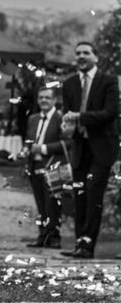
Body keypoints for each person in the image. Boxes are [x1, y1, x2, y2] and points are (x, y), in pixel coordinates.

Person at [60, 42, 119, 259]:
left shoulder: (108, 81)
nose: (81, 56)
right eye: (78, 53)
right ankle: (79, 243)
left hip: (102, 148)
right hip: (80, 147)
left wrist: (80, 117)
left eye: (86, 53)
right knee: (80, 194)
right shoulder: (69, 84)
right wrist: (67, 125)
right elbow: (68, 114)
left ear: (96, 56)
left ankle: (88, 244)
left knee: (93, 190)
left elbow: (111, 113)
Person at [19, 86, 69, 249]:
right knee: (40, 203)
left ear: (54, 100)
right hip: (35, 165)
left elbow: (68, 143)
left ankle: (54, 237)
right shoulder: (32, 119)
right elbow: (28, 140)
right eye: (41, 98)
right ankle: (42, 235)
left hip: (54, 166)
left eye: (47, 97)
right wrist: (26, 150)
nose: (43, 101)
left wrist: (43, 148)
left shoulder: (61, 118)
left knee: (53, 203)